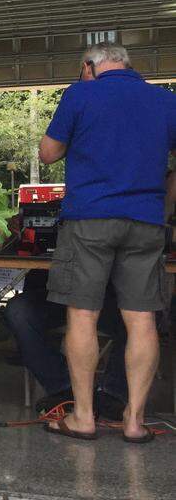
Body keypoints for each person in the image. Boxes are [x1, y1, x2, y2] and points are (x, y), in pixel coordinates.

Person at [39, 43, 176, 443]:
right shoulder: (165, 100)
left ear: (89, 66)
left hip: (89, 220)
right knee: (142, 319)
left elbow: (48, 153)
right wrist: (162, 206)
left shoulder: (81, 93)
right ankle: (134, 421)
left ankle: (83, 417)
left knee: (83, 316)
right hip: (146, 221)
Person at [3, 274, 128, 419]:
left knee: (142, 318)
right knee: (18, 310)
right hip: (58, 295)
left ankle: (113, 393)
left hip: (109, 298)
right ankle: (63, 387)